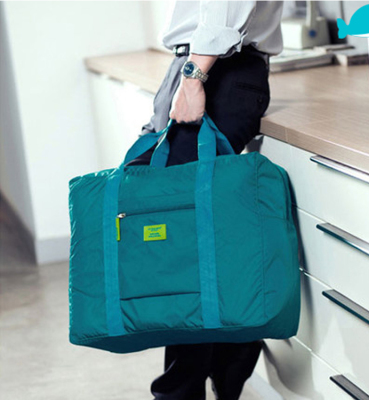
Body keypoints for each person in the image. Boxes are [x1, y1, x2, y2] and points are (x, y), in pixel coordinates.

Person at [128, 1, 284, 399]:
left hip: (215, 71)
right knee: (191, 239)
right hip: (199, 66)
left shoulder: (204, 69)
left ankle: (184, 387)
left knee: (184, 248)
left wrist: (194, 77)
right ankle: (232, 354)